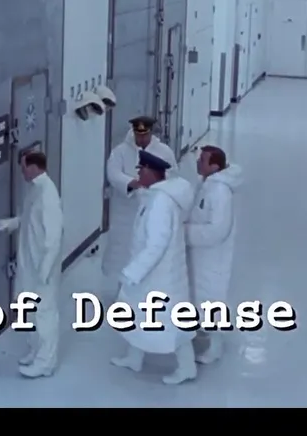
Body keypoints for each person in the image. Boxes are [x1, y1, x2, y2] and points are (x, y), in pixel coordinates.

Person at [110, 149, 199, 385]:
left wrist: (133, 272)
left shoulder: (161, 202)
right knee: (138, 314)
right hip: (153, 272)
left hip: (160, 275)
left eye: (141, 169)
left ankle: (187, 367)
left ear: (152, 172)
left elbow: (156, 244)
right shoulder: (155, 196)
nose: (138, 173)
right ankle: (134, 358)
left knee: (171, 322)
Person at [0, 150, 64, 379]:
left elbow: (54, 237)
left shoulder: (48, 195)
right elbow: (29, 219)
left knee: (44, 314)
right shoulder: (35, 189)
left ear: (34, 167)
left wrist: (45, 270)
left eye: (23, 167)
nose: (21, 171)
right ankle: (35, 351)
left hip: (42, 269)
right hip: (31, 265)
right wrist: (9, 224)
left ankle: (46, 363)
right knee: (31, 311)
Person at [185, 145, 244, 365]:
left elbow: (218, 230)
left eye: (202, 160)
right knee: (200, 297)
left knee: (212, 299)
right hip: (200, 254)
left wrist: (185, 233)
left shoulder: (220, 192)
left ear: (215, 166)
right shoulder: (207, 184)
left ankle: (215, 347)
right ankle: (200, 333)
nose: (198, 162)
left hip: (212, 258)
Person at [104, 116, 177, 284]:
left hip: (153, 206)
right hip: (126, 211)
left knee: (149, 245)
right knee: (122, 251)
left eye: (145, 135)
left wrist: (155, 184)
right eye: (138, 135)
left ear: (151, 133)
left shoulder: (164, 151)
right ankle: (122, 285)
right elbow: (113, 173)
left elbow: (173, 173)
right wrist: (131, 183)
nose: (141, 138)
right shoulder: (120, 151)